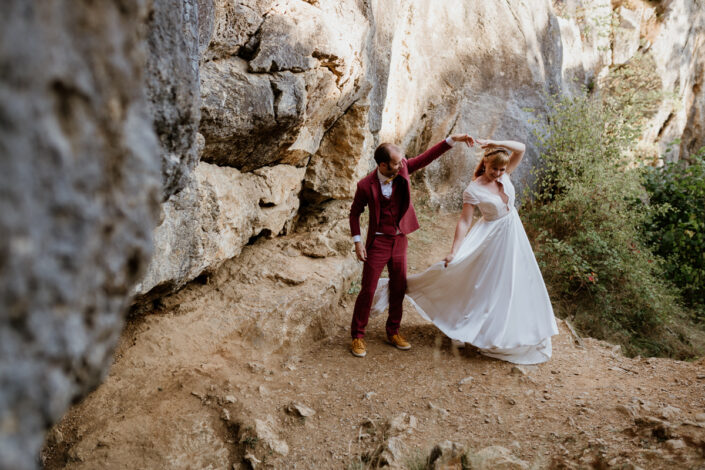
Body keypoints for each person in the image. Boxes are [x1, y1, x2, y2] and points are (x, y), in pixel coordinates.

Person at [371, 138, 558, 364]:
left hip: (514, 237)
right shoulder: (474, 189)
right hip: (491, 238)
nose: (498, 173)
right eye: (494, 169)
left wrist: (493, 142)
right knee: (481, 283)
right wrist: (454, 251)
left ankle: (515, 329)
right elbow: (464, 222)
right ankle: (401, 290)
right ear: (485, 164)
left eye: (501, 169)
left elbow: (522, 148)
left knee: (516, 281)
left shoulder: (505, 173)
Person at [349, 133, 475, 358]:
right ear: (382, 164)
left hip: (399, 240)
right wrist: (358, 243)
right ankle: (358, 336)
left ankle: (393, 331)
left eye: (401, 161)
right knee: (368, 289)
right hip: (377, 242)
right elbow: (354, 213)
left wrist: (451, 141)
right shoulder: (365, 186)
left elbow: (426, 158)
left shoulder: (403, 167)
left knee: (399, 286)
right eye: (396, 163)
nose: (401, 165)